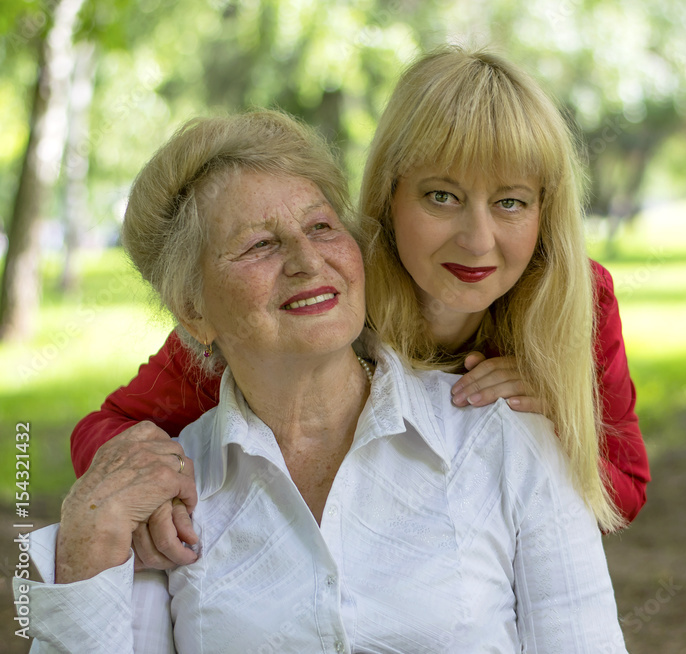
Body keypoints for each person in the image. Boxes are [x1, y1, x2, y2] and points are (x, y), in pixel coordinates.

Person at [21, 109, 628, 652]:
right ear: (193, 310)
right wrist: (90, 542)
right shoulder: (162, 503)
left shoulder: (507, 435)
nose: (308, 261)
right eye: (260, 244)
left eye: (320, 227)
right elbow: (113, 430)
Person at [69, 47, 649, 569]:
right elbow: (105, 427)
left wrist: (551, 427)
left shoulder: (576, 301)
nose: (477, 241)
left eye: (511, 203)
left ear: (546, 208)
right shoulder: (324, 293)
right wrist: (155, 481)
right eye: (441, 196)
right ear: (389, 193)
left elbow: (622, 491)